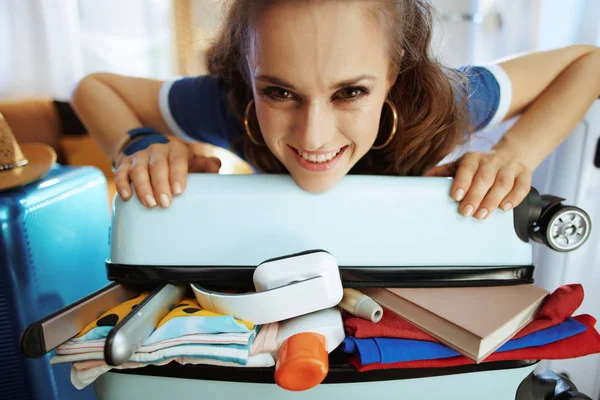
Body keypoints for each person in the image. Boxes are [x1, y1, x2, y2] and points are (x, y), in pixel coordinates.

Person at [71, 0, 600, 220]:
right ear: (247, 72)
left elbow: (589, 61)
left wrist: (515, 154)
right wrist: (139, 144)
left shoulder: (445, 100)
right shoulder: (229, 104)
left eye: (350, 92)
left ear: (395, 75)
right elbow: (92, 87)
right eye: (280, 92)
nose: (314, 136)